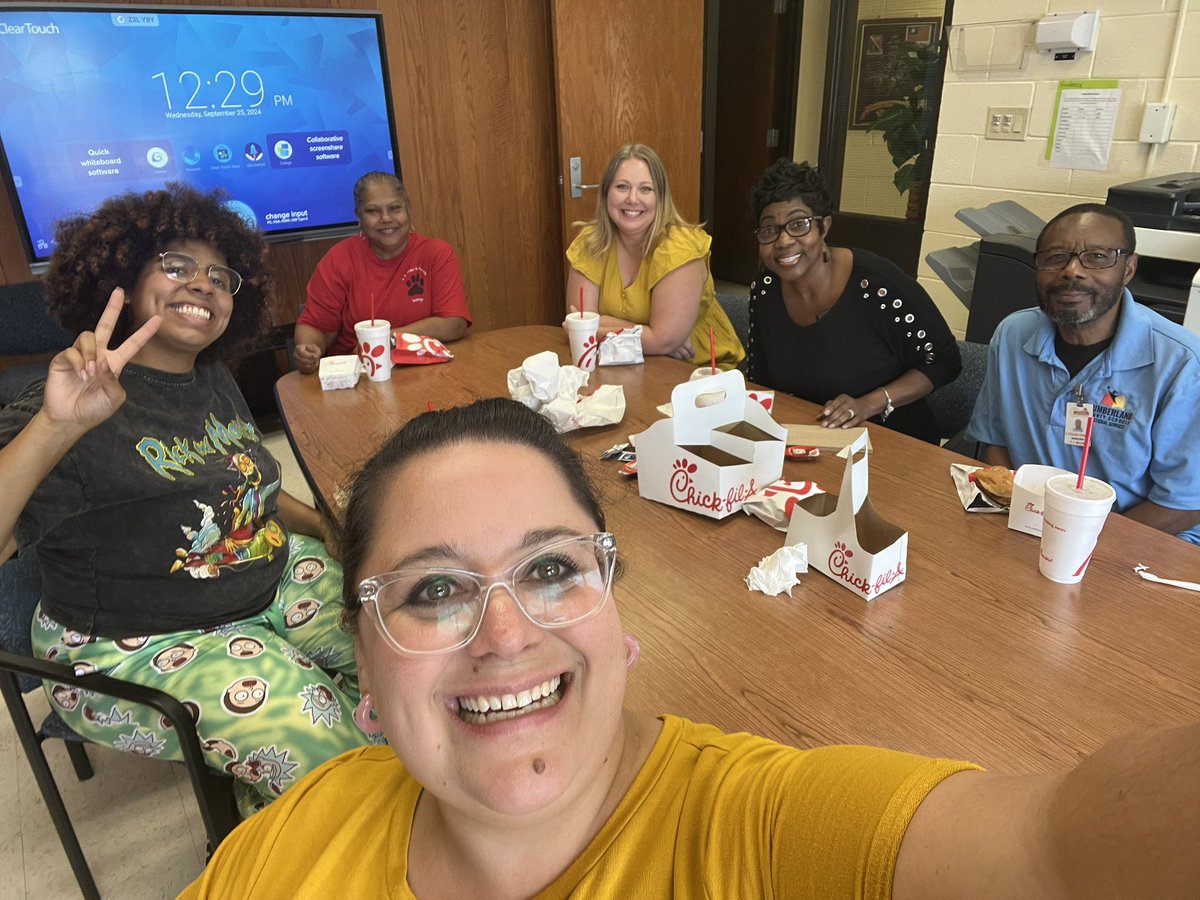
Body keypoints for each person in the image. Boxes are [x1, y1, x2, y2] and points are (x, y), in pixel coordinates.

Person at [183, 397, 1199, 898]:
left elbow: (1057, 853)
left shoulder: (752, 833)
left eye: (550, 570)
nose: (504, 636)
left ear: (618, 621)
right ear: (359, 665)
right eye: (435, 590)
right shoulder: (290, 845)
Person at [0, 185, 370, 815]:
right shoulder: (67, 403)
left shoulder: (212, 378)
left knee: (409, 649)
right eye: (176, 266)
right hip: (135, 640)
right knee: (330, 756)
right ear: (123, 277)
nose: (203, 284)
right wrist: (58, 427)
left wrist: (327, 528)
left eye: (220, 276)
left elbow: (242, 494)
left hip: (270, 582)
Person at [966, 203, 1200, 545]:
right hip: (1033, 528)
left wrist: (1077, 541)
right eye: (1055, 256)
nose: (1072, 270)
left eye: (1097, 256)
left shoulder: (1181, 364)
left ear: (1129, 268)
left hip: (1142, 539)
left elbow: (1184, 505)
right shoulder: (1013, 335)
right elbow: (995, 443)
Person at [745, 159, 960, 443]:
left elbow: (944, 360)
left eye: (799, 224)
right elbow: (759, 378)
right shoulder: (765, 289)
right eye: (769, 230)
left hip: (892, 441)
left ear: (824, 227)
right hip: (808, 439)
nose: (783, 241)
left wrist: (868, 403)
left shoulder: (877, 286)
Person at [565, 143, 744, 369]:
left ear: (661, 197)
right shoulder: (590, 243)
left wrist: (658, 340)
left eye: (646, 189)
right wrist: (652, 338)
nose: (632, 199)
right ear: (605, 193)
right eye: (622, 186)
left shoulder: (679, 248)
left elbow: (588, 328)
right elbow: (578, 325)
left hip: (697, 369)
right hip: (619, 361)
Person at [293, 171, 471, 374]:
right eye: (373, 211)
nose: (386, 218)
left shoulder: (436, 253)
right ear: (359, 216)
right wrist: (309, 350)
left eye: (395, 208)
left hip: (426, 372)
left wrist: (388, 338)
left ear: (408, 209)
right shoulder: (338, 259)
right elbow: (315, 327)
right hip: (359, 378)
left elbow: (454, 324)